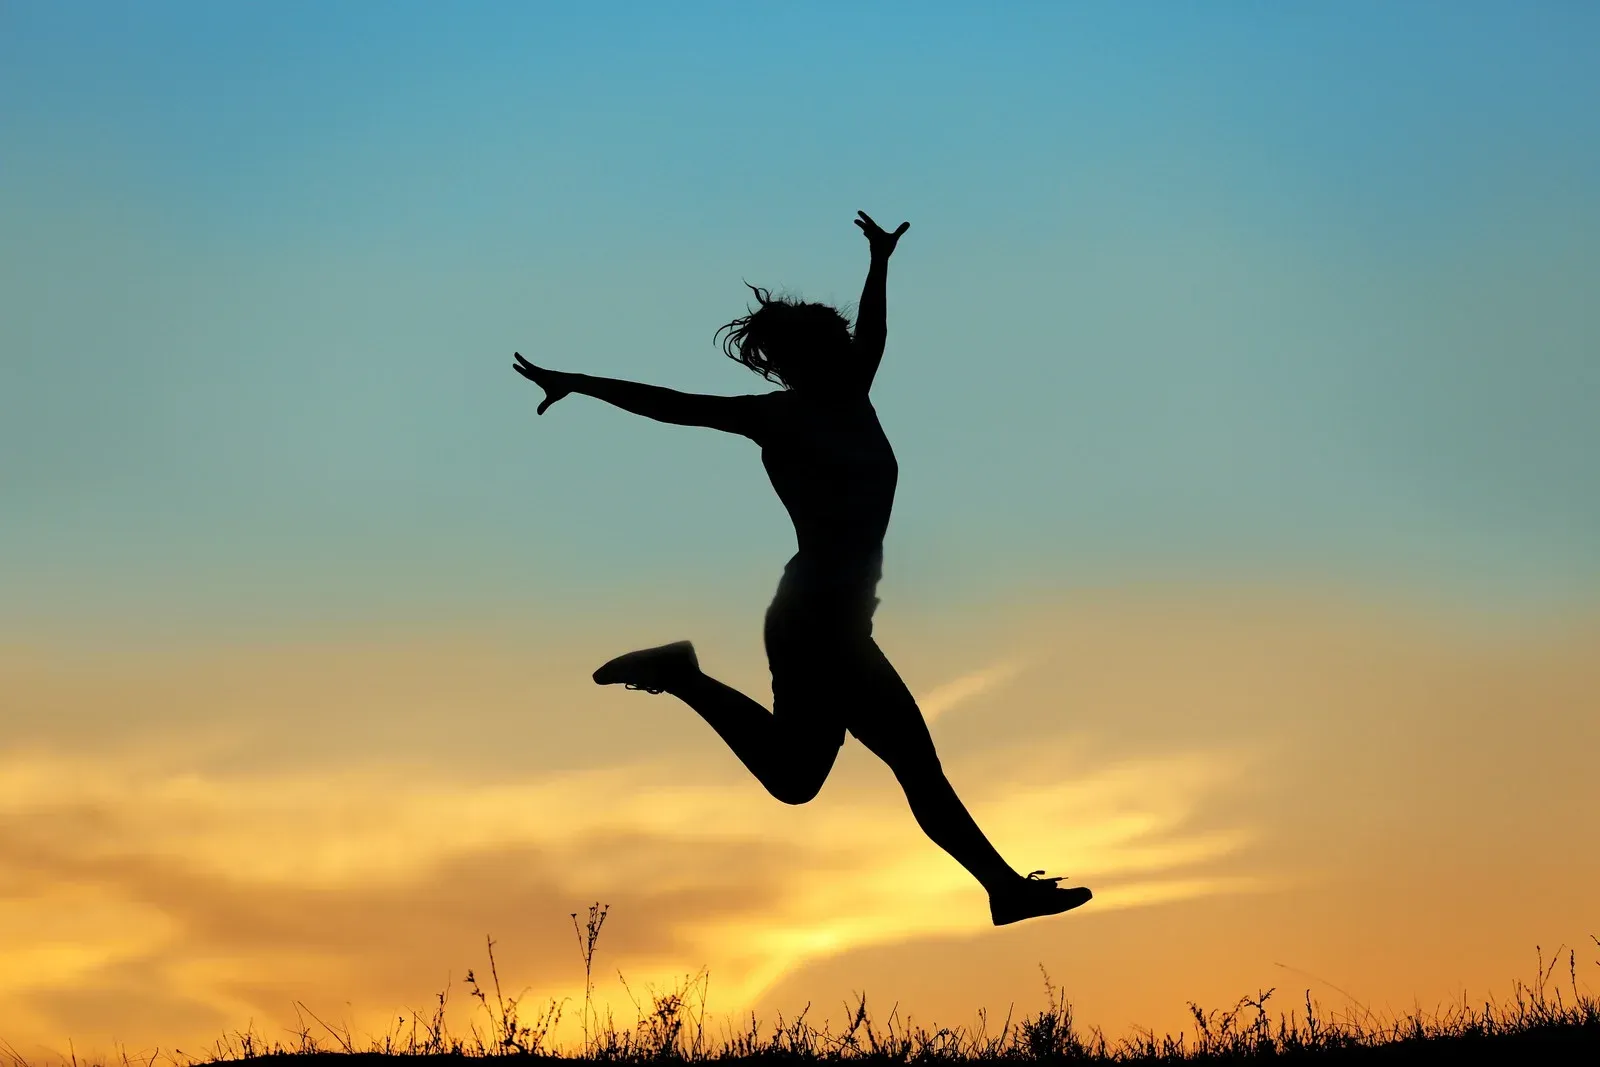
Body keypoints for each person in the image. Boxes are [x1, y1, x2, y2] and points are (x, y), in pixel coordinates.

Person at [512, 211, 1090, 925]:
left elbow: (877, 331)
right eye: (826, 344)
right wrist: (579, 381)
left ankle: (684, 674)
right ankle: (1005, 888)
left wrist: (880, 260)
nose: (847, 347)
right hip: (818, 624)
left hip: (826, 617)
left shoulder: (854, 394)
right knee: (916, 766)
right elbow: (671, 406)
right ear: (795, 359)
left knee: (794, 778)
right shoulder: (778, 418)